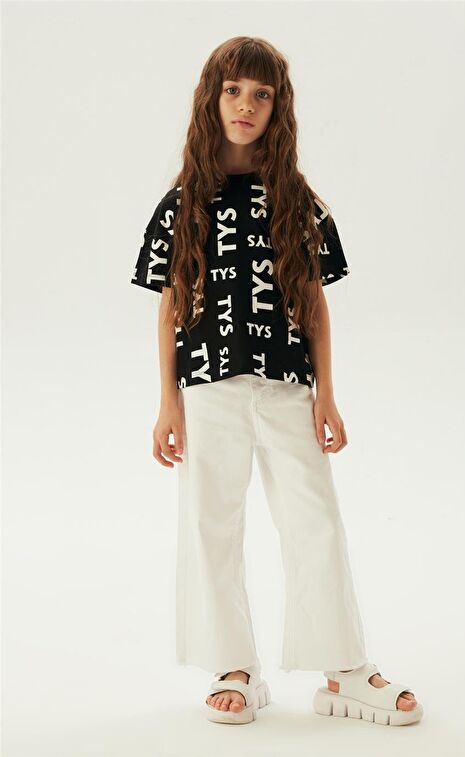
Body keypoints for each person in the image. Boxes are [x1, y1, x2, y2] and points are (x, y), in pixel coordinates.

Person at [130, 36, 423, 727]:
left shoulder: (296, 202)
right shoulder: (183, 203)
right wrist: (168, 402)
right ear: (211, 99)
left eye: (261, 94)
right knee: (210, 523)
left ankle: (343, 666)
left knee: (313, 519)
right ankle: (232, 665)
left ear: (277, 108)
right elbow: (171, 304)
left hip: (288, 382)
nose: (245, 105)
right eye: (233, 90)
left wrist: (327, 393)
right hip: (208, 384)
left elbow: (313, 301)